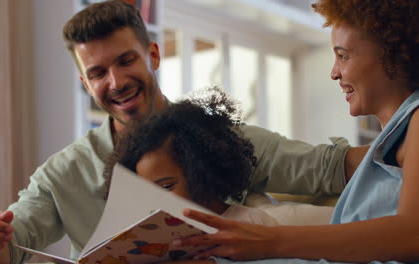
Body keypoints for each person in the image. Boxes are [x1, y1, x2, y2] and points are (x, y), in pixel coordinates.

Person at [0, 1, 365, 264]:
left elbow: (326, 167)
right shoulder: (62, 173)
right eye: (98, 73)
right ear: (85, 84)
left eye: (126, 61)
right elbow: (11, 246)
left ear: (153, 55)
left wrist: (406, 138)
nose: (116, 82)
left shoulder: (218, 137)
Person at [173, 0, 419, 263]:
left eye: (343, 56)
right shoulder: (393, 137)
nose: (334, 73)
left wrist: (270, 242)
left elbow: (412, 234)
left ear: (390, 53)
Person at [105, 88, 278, 226]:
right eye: (148, 193)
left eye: (166, 187)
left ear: (203, 172)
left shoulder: (254, 224)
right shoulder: (160, 237)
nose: (155, 202)